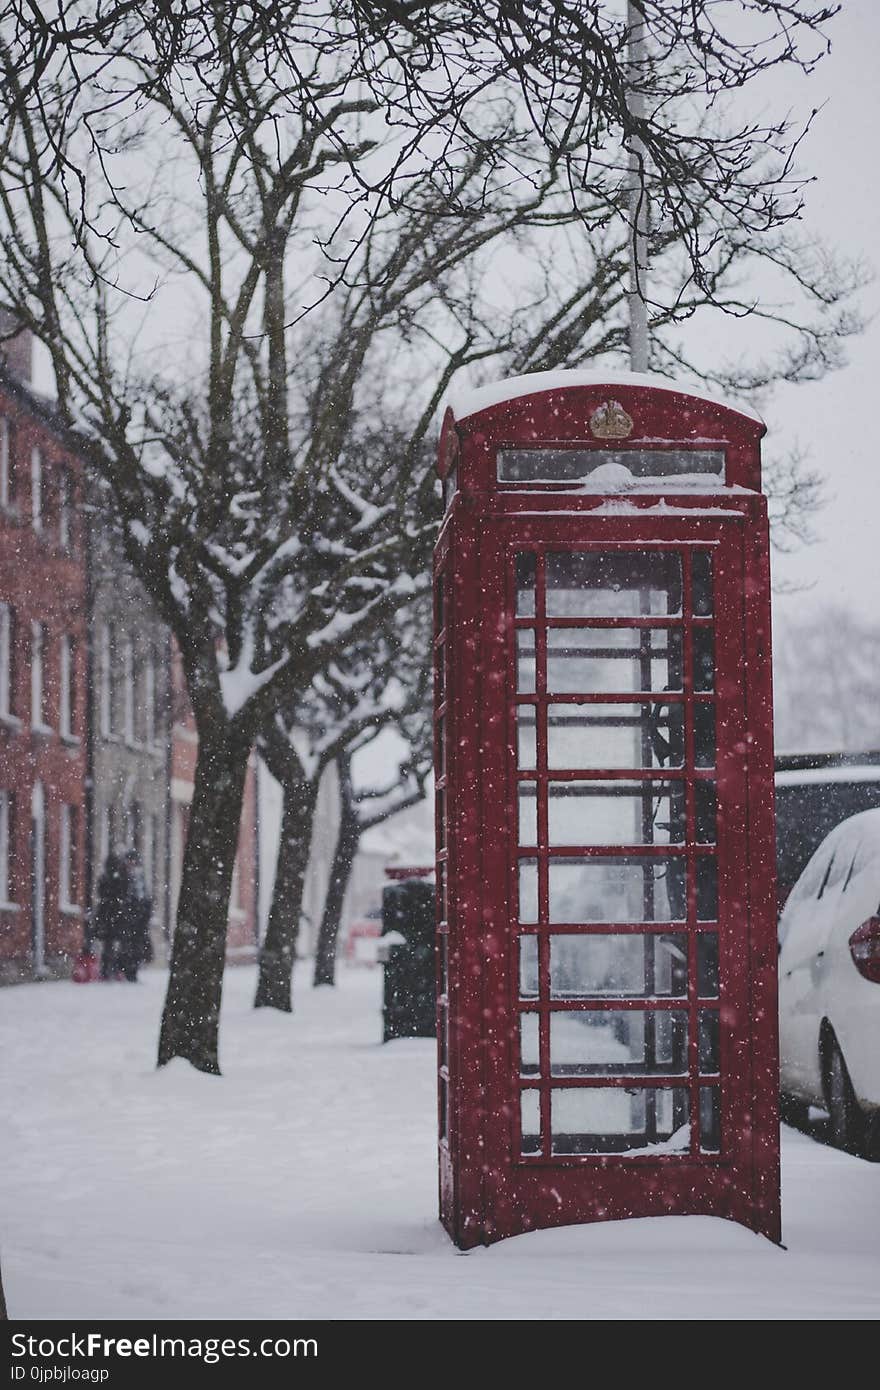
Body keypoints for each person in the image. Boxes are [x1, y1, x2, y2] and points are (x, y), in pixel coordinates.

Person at [118, 849, 153, 982]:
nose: (131, 863)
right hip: (128, 919)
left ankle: (133, 971)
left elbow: (145, 898)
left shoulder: (139, 877)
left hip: (139, 919)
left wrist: (145, 914)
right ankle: (127, 970)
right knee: (128, 946)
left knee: (136, 946)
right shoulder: (123, 876)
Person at [94, 851, 129, 981]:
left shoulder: (104, 878)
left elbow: (101, 893)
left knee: (108, 946)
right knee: (117, 945)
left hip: (106, 915)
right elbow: (124, 893)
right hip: (116, 915)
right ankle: (115, 970)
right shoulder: (120, 878)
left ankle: (106, 971)